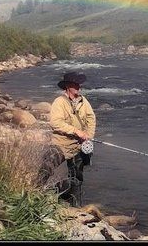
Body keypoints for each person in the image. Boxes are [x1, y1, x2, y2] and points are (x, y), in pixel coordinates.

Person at [37, 71, 96, 207]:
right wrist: (76, 131)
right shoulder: (59, 102)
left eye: (79, 84)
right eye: (75, 84)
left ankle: (75, 206)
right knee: (46, 168)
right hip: (60, 144)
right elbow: (55, 123)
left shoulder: (83, 100)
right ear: (68, 86)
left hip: (78, 146)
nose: (78, 87)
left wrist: (88, 136)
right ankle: (35, 193)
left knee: (77, 178)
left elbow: (91, 118)